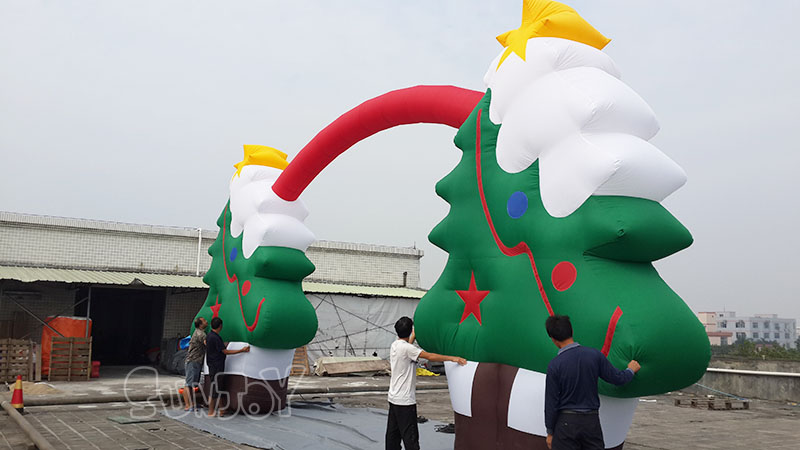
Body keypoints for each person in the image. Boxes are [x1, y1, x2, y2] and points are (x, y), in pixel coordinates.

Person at [544, 315, 641, 450]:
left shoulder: (555, 365)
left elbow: (551, 402)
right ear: (571, 332)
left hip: (566, 423)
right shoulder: (594, 355)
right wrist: (631, 370)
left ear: (553, 339)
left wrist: (550, 432)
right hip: (591, 422)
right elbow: (617, 379)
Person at [386, 316, 467, 450]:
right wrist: (454, 358)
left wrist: (414, 334)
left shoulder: (396, 345)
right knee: (410, 437)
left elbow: (408, 346)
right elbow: (430, 356)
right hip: (405, 402)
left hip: (393, 398)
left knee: (392, 436)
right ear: (410, 330)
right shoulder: (408, 349)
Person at [205, 317, 250, 417]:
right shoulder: (215, 337)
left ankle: (222, 409)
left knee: (219, 387)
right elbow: (225, 351)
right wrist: (241, 350)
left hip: (213, 365)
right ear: (220, 326)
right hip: (216, 365)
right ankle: (211, 411)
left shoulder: (209, 336)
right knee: (215, 388)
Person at [182, 317, 207, 411]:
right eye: (204, 321)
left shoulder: (197, 332)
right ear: (200, 324)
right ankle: (187, 405)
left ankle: (192, 403)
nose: (206, 322)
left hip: (195, 361)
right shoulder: (201, 334)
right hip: (193, 361)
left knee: (192, 384)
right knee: (189, 383)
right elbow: (207, 344)